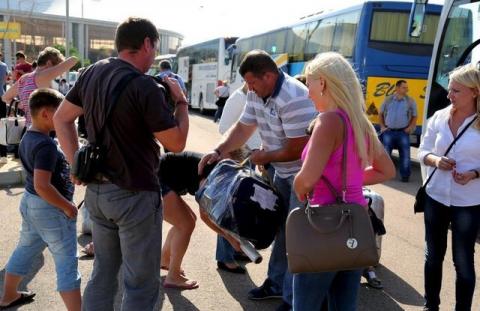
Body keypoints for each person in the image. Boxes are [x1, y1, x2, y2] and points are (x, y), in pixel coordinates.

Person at [53, 17, 189, 310]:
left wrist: (76, 162)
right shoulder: (145, 87)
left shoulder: (91, 73)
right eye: (154, 48)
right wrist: (181, 104)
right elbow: (176, 143)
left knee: (103, 273)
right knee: (140, 283)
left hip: (98, 194)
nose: (154, 56)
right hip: (135, 194)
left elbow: (61, 118)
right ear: (147, 44)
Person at [199, 49, 317, 311]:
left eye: (253, 83)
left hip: (301, 175)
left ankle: (291, 298)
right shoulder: (256, 92)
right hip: (277, 171)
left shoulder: (294, 97)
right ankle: (276, 284)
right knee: (279, 230)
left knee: (295, 236)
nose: (249, 89)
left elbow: (299, 147)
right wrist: (219, 150)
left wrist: (264, 155)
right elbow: (243, 127)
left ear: (269, 75)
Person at [293, 52, 395, 311]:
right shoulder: (358, 121)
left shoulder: (327, 121)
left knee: (305, 305)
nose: (308, 93)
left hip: (323, 226)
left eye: (310, 84)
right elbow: (386, 170)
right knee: (343, 305)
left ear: (323, 83)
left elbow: (306, 180)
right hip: (355, 224)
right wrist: (346, 185)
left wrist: (299, 185)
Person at [0, 89, 81, 311]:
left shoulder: (30, 135)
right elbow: (42, 185)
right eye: (60, 112)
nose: (65, 116)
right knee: (67, 264)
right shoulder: (45, 145)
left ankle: (8, 296)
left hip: (31, 203)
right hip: (50, 209)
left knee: (24, 249)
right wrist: (68, 206)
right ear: (46, 114)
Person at [417, 62, 480, 311]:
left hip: (469, 200)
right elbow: (423, 151)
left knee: (463, 261)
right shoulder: (439, 117)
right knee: (433, 256)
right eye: (450, 89)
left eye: (456, 91)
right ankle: (430, 305)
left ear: (475, 92)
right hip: (436, 195)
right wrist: (435, 160)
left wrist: (473, 174)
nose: (448, 95)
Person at [2, 47, 78, 129]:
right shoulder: (42, 76)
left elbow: (5, 98)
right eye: (56, 66)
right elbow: (73, 60)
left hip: (28, 128)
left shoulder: (24, 78)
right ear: (49, 63)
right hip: (44, 130)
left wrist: (22, 105)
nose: (59, 73)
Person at [378, 80, 417, 182]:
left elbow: (415, 115)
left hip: (403, 132)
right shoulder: (388, 100)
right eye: (404, 87)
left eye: (406, 87)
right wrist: (382, 126)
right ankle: (385, 174)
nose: (406, 89)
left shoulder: (410, 101)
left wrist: (410, 127)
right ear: (397, 88)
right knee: (386, 154)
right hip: (388, 132)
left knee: (405, 155)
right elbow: (380, 113)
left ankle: (405, 176)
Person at [0, 52, 8, 164]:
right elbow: (5, 80)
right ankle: (4, 154)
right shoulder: (4, 66)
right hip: (1, 96)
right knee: (2, 126)